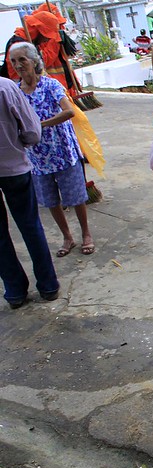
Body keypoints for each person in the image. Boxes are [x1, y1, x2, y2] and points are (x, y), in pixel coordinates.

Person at [9, 42, 95, 256]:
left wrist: (40, 125)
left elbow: (69, 112)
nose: (18, 65)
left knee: (76, 196)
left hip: (63, 152)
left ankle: (86, 233)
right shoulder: (16, 92)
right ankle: (67, 237)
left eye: (22, 60)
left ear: (33, 61)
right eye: (13, 61)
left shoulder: (51, 85)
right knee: (50, 200)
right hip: (37, 157)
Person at [0, 76, 60, 309]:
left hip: (13, 167)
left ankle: (14, 291)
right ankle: (48, 285)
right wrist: (17, 142)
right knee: (30, 226)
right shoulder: (6, 87)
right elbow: (32, 131)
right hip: (13, 166)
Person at [1, 11, 61, 81]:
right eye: (47, 35)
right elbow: (20, 78)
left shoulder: (32, 42)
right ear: (39, 30)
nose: (48, 39)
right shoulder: (19, 46)